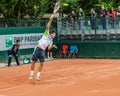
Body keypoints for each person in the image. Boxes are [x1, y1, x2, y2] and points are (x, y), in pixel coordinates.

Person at [29, 15, 57, 80]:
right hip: (37, 49)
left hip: (42, 51)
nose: (54, 36)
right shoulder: (46, 34)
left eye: (55, 35)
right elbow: (48, 26)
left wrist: (52, 46)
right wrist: (50, 19)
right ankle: (31, 74)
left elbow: (49, 48)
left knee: (42, 63)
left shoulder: (51, 41)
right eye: (54, 34)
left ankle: (38, 76)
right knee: (33, 62)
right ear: (51, 33)